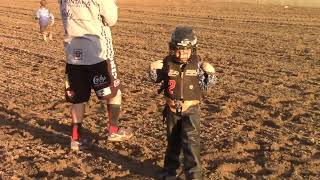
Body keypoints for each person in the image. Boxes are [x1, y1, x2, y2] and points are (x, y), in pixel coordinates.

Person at [59, 0, 133, 151]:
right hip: (97, 55)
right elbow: (112, 20)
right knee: (114, 92)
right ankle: (113, 131)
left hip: (73, 55)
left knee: (77, 99)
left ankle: (76, 139)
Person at [149, 26, 216, 180]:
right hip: (172, 109)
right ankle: (170, 172)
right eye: (179, 50)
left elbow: (205, 86)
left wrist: (210, 74)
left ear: (193, 49)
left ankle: (194, 175)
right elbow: (156, 79)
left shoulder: (198, 65)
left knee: (192, 144)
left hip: (191, 110)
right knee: (173, 142)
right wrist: (152, 69)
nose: (182, 54)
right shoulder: (167, 63)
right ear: (172, 49)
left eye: (186, 51)